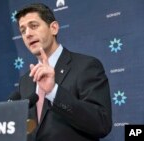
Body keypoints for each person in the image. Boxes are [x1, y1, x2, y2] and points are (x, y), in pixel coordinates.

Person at [15, 3, 112, 141]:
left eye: (34, 26)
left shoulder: (86, 66)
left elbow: (101, 124)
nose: (28, 34)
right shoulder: (26, 80)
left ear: (54, 28)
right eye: (23, 30)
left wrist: (54, 91)